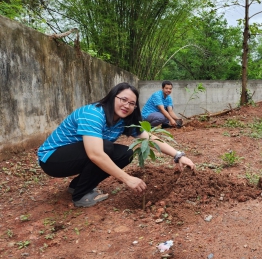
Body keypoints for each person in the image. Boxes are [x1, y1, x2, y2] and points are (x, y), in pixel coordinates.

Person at [37, 82, 195, 208]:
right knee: (105, 148)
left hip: (76, 155)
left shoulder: (123, 120)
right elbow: (95, 154)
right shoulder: (93, 114)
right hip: (52, 159)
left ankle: (77, 186)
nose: (127, 105)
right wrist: (127, 179)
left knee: (126, 153)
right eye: (123, 99)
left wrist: (178, 155)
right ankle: (80, 196)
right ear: (112, 97)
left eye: (132, 103)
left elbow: (149, 138)